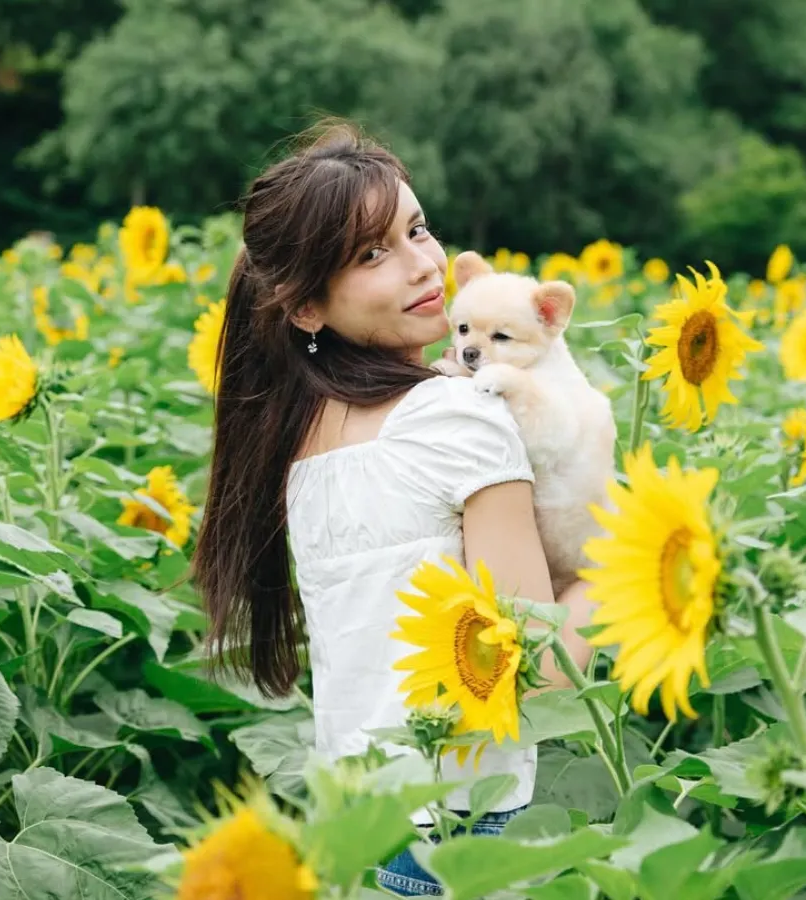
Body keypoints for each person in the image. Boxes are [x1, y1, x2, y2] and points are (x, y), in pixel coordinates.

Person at [192, 119, 597, 897]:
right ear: (305, 308)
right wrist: (609, 578)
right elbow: (533, 676)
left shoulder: (297, 436)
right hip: (460, 832)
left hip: (355, 832)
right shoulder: (460, 417)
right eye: (373, 254)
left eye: (417, 229)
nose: (424, 267)